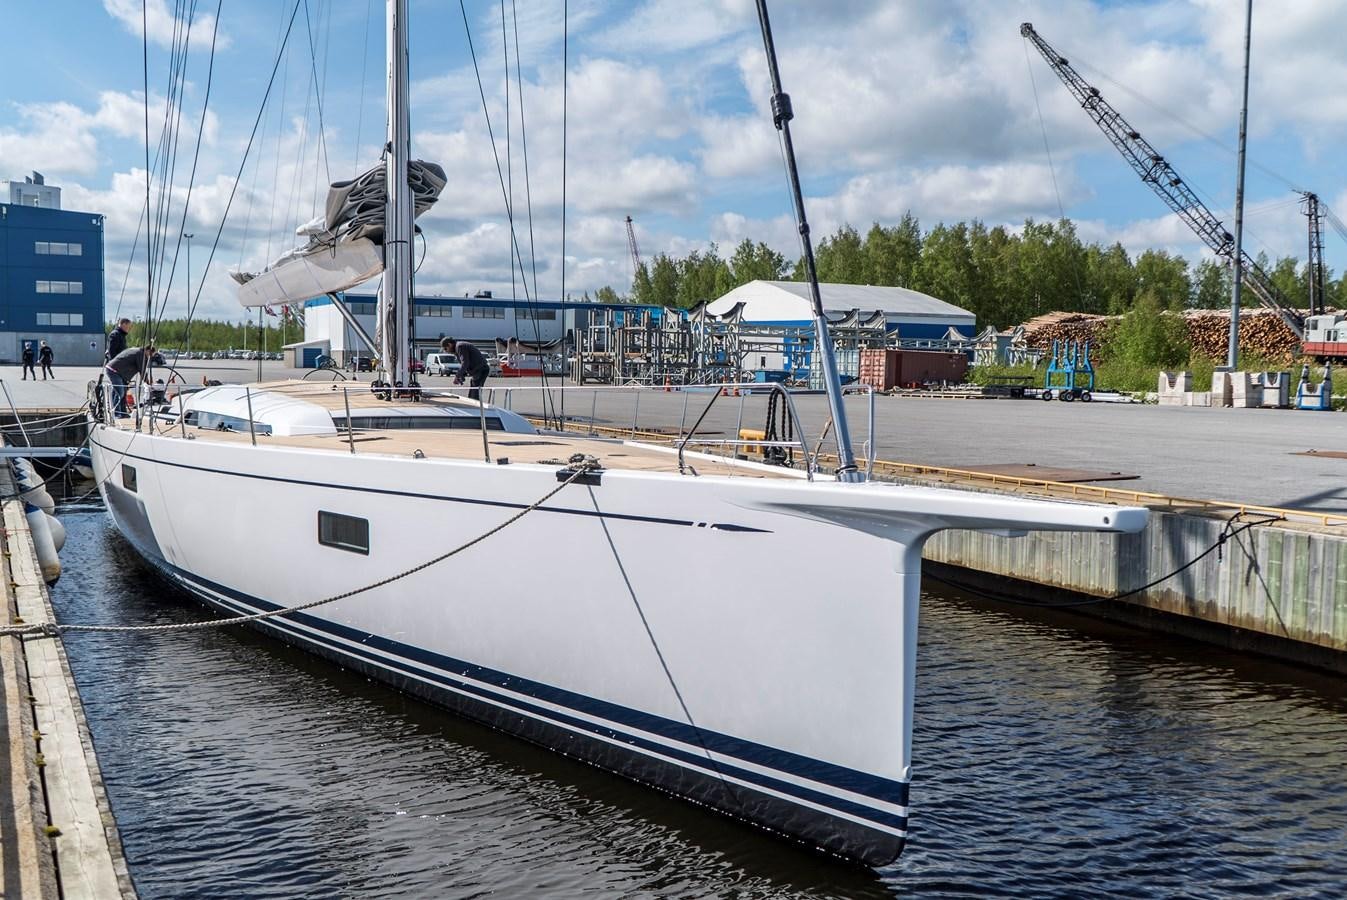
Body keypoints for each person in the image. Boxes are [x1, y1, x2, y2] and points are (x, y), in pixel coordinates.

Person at [105, 345, 155, 418]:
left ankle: (122, 412)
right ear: (147, 350)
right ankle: (116, 413)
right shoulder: (140, 354)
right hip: (114, 371)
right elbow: (142, 370)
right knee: (120, 392)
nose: (149, 357)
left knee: (122, 392)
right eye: (150, 354)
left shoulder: (136, 351)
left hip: (118, 372)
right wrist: (148, 383)